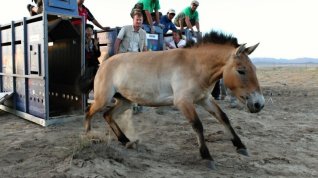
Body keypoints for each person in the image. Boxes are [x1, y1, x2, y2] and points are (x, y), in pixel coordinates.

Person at [79, 23, 101, 95]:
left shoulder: (94, 41)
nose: (89, 32)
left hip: (93, 63)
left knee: (97, 81)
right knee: (86, 82)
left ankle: (96, 96)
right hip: (85, 64)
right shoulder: (81, 40)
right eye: (87, 30)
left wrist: (96, 46)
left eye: (90, 30)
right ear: (84, 31)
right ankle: (85, 98)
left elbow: (98, 55)